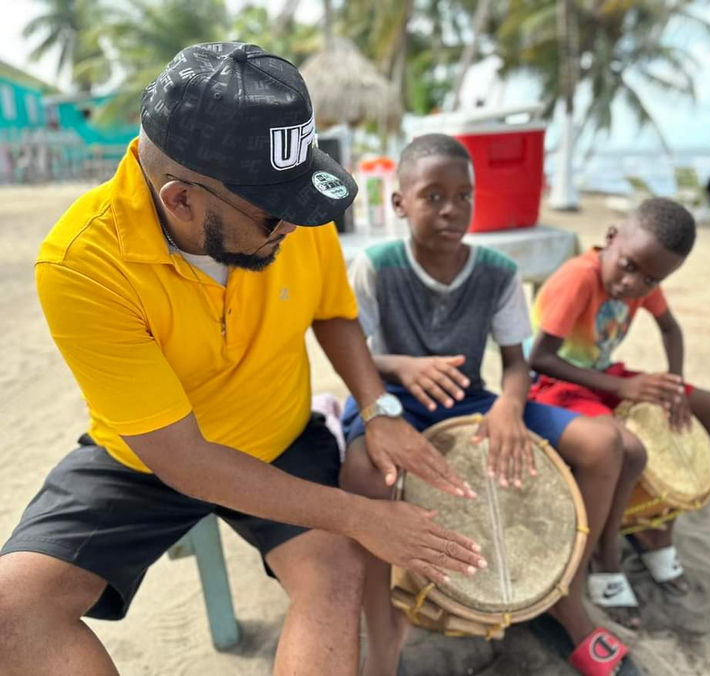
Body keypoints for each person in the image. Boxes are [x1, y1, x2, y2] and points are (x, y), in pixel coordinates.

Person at [0, 43, 486, 676]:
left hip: (281, 436)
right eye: (273, 214)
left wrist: (379, 405)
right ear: (179, 201)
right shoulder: (82, 264)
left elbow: (333, 311)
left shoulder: (293, 210)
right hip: (146, 456)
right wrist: (364, 517)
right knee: (12, 610)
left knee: (333, 573)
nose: (295, 224)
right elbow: (183, 458)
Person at [339, 133, 643, 676]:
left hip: (470, 397)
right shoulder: (374, 265)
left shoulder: (498, 271)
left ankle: (565, 597)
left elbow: (516, 361)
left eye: (464, 195)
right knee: (362, 474)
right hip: (388, 398)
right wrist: (402, 366)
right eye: (433, 195)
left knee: (602, 444)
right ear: (400, 202)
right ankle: (383, 636)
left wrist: (508, 405)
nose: (452, 208)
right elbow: (353, 355)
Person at [528, 197, 710, 603]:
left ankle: (653, 524)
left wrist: (675, 385)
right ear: (611, 238)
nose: (634, 285)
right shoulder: (579, 278)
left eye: (651, 280)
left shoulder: (644, 274)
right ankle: (605, 554)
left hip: (605, 377)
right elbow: (538, 359)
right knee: (630, 449)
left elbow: (671, 329)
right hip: (554, 385)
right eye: (628, 267)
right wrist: (623, 390)